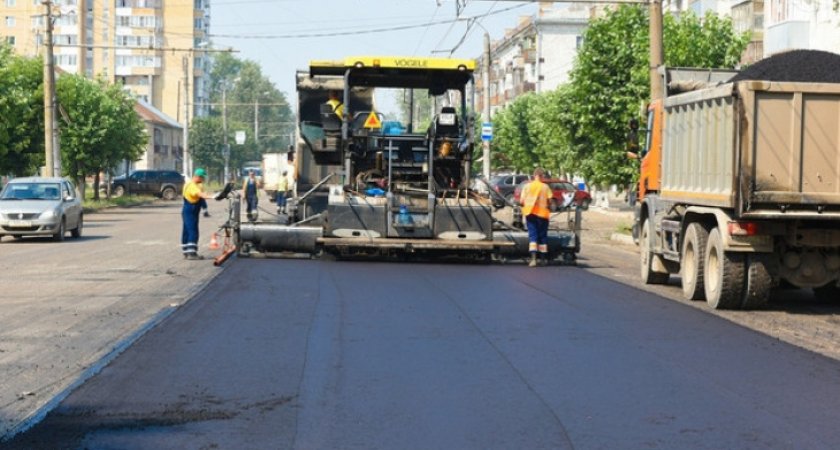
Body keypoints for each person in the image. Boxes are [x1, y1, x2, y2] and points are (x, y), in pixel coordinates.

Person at [519, 167, 552, 267]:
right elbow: (550, 201)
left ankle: (533, 260)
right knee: (543, 236)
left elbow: (521, 201)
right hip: (542, 214)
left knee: (533, 236)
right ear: (541, 176)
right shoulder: (545, 187)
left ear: (534, 176)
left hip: (530, 214)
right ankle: (543, 260)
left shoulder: (527, 186)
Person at [181, 168, 214, 260]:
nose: (203, 180)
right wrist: (212, 197)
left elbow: (201, 199)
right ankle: (191, 253)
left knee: (187, 231)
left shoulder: (196, 185)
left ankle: (186, 251)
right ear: (198, 176)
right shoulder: (191, 185)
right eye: (202, 177)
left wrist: (205, 209)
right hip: (190, 209)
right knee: (193, 231)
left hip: (190, 210)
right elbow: (201, 195)